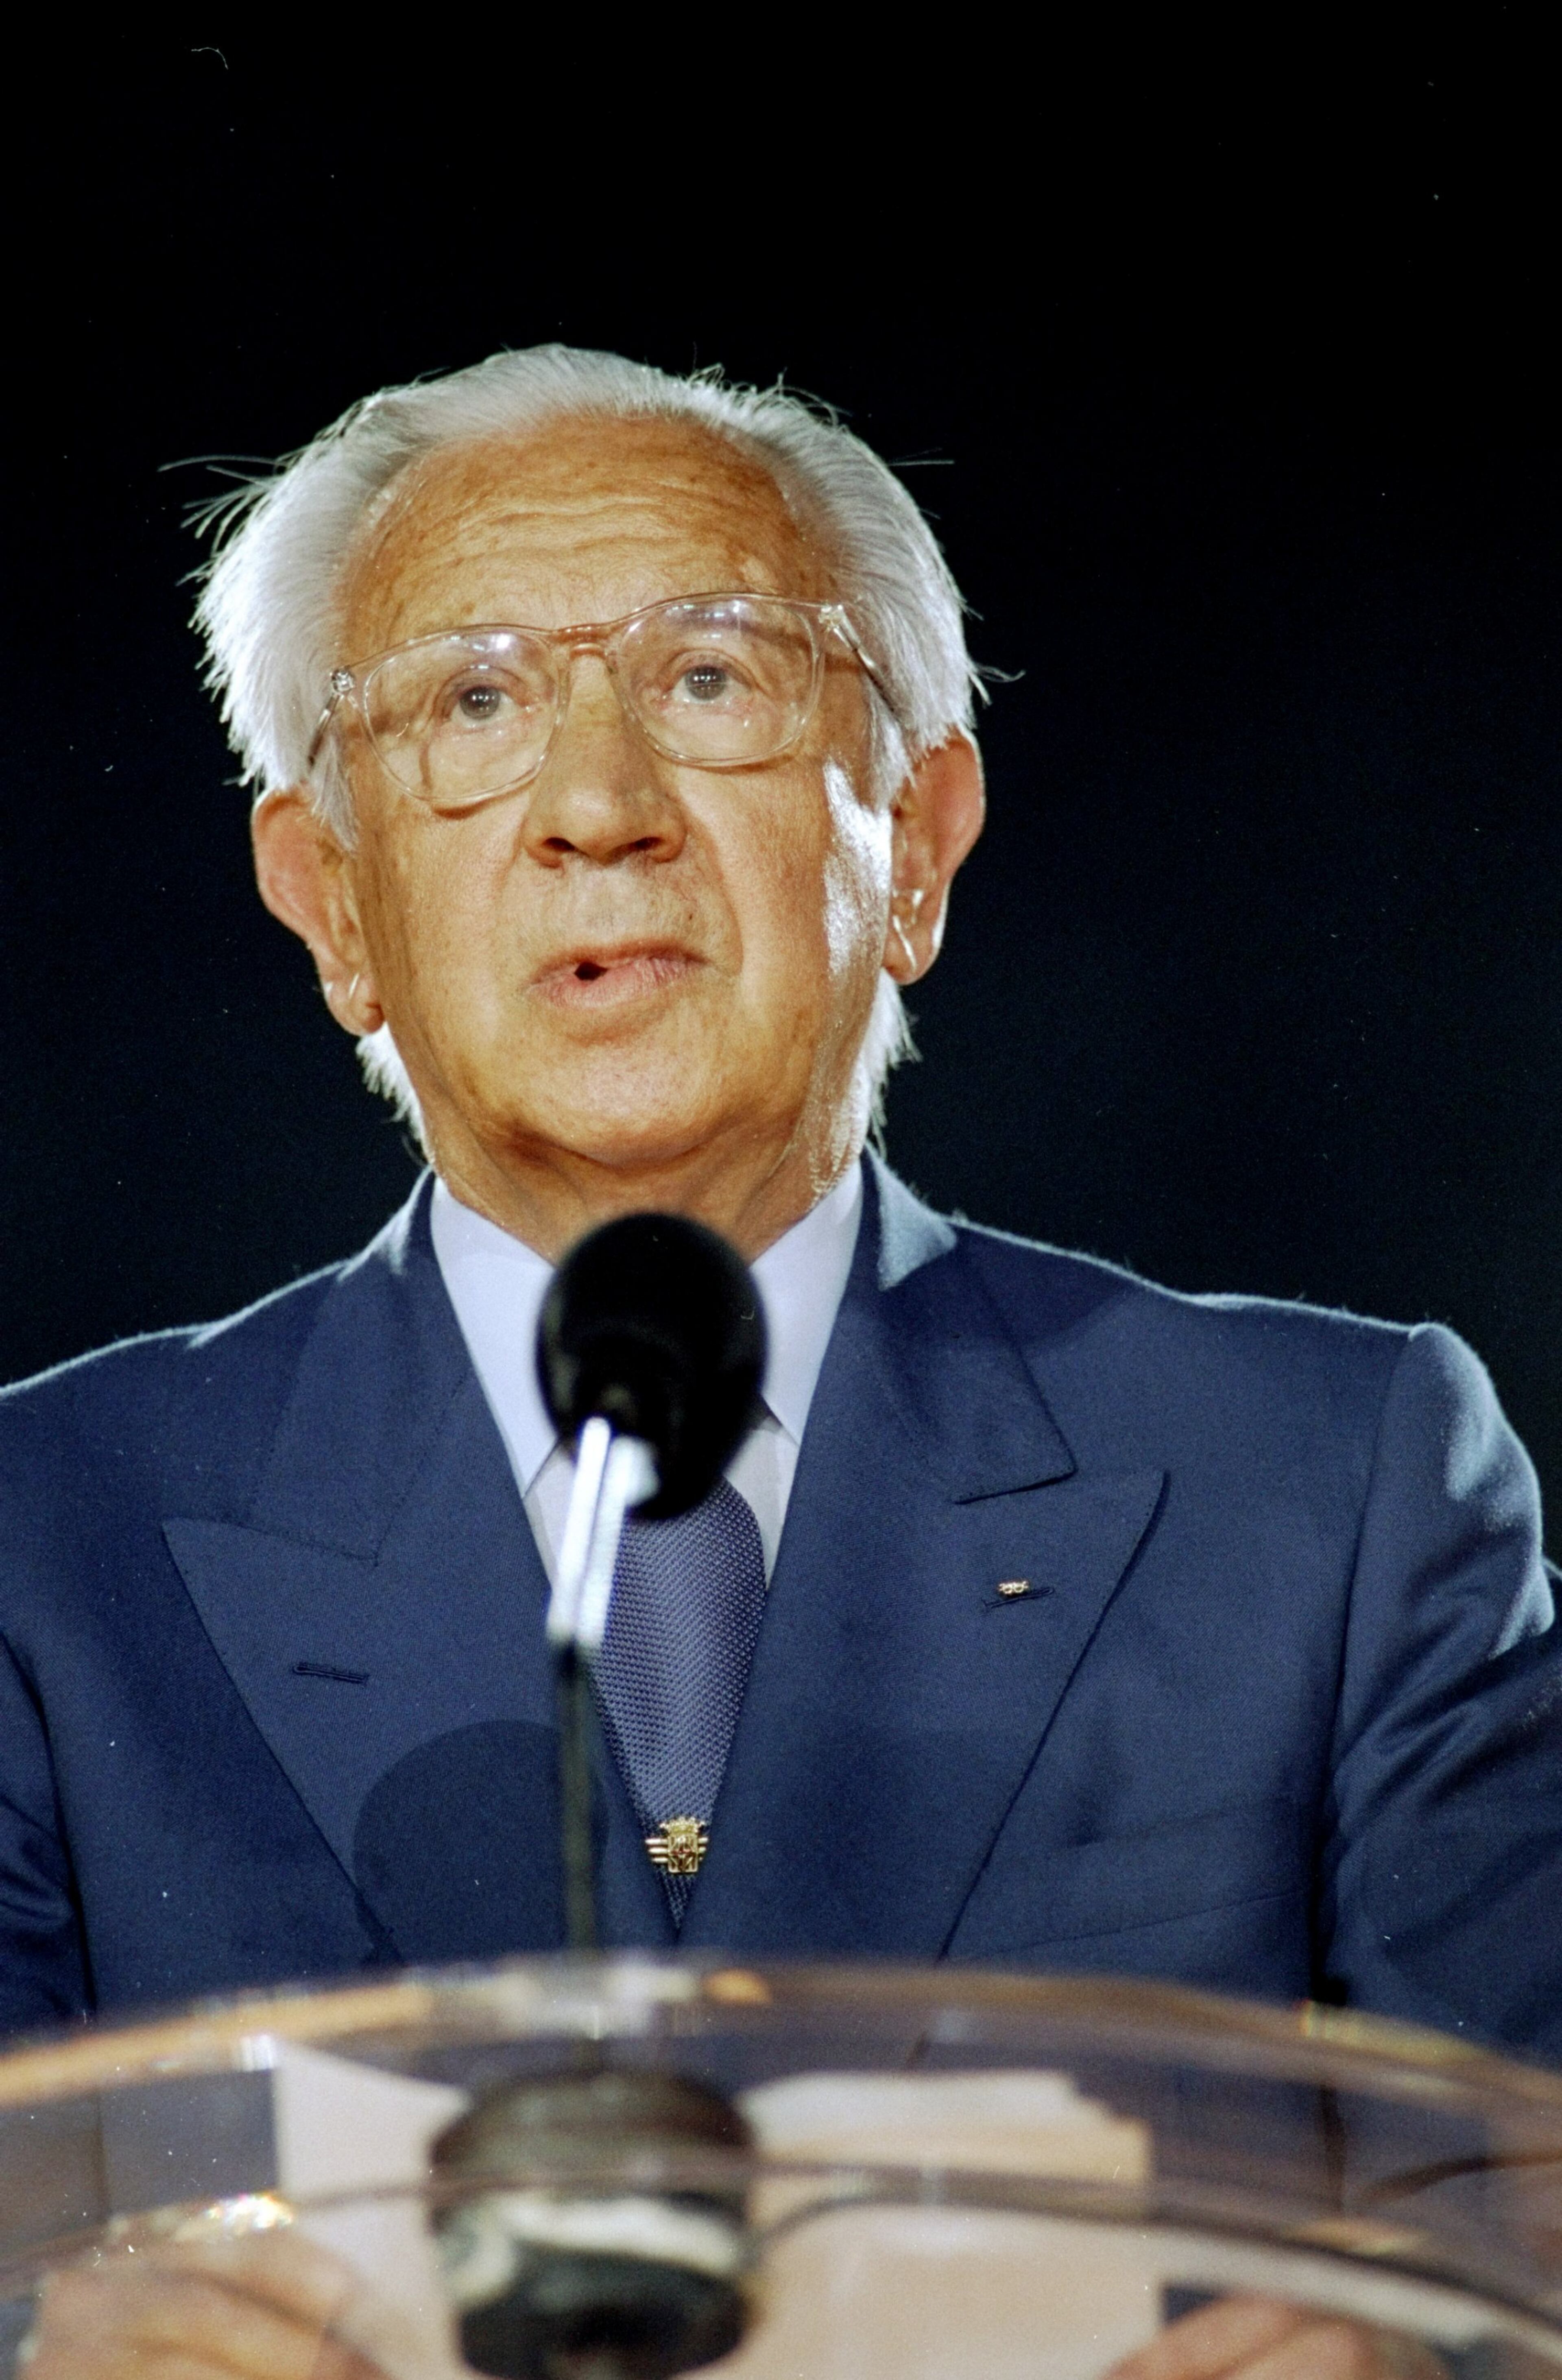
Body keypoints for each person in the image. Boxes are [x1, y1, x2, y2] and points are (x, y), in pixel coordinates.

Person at [3, 345, 1538, 2380]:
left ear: (916, 836)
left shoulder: (1335, 1486)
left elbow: (1522, 2235)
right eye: (471, 705)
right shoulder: (45, 1543)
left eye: (712, 678)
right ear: (331, 902)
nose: (597, 810)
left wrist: (1420, 2364)